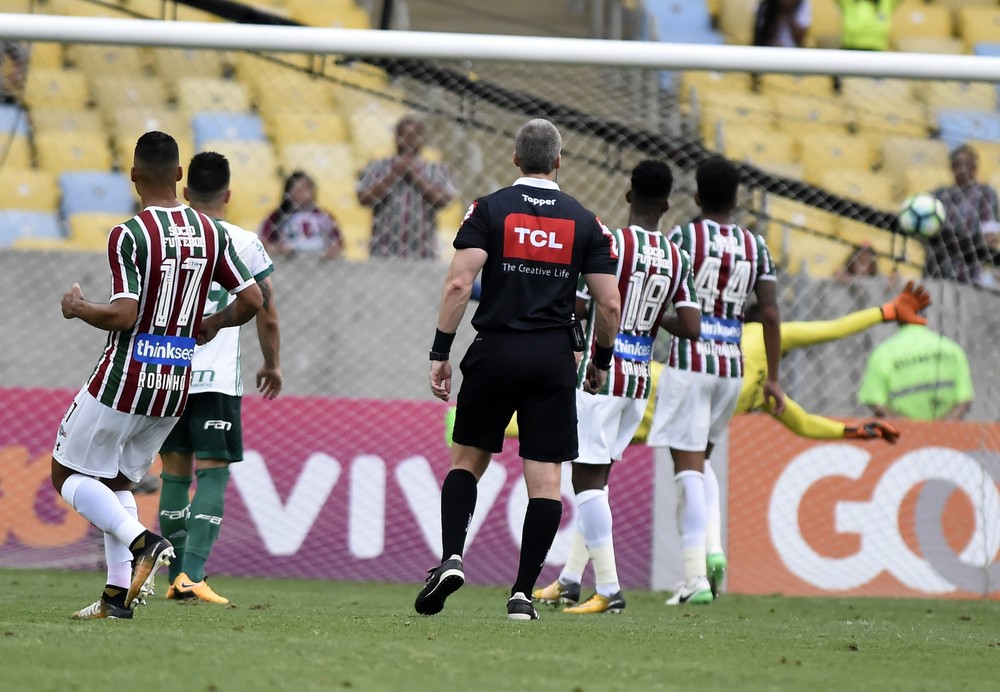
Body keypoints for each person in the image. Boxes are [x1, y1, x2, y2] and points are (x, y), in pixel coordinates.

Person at [414, 118, 621, 621]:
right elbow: (609, 302)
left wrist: (440, 352)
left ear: (515, 160)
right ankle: (523, 595)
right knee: (546, 482)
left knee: (467, 462)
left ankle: (452, 558)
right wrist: (599, 360)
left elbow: (459, 283)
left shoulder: (490, 209)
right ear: (557, 162)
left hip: (496, 350)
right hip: (552, 359)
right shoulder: (585, 221)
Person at [51, 131, 263, 620]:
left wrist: (78, 308)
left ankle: (143, 542)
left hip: (124, 376)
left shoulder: (129, 233)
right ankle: (115, 597)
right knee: (119, 484)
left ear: (133, 177)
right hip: (175, 383)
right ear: (179, 176)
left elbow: (125, 315)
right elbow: (253, 301)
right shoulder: (211, 232)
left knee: (67, 475)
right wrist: (211, 323)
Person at [533, 160, 702, 615]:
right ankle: (570, 581)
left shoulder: (611, 240)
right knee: (598, 480)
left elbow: (585, 303)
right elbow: (691, 325)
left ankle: (609, 589)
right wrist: (646, 317)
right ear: (668, 205)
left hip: (600, 370)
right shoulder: (677, 255)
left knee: (585, 479)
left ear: (629, 195)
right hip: (640, 375)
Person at [647, 155, 785, 606]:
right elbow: (768, 311)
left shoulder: (684, 236)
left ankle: (695, 576)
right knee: (701, 463)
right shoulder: (756, 246)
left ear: (697, 197)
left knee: (685, 467)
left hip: (690, 361)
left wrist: (657, 323)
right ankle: (713, 549)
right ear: (737, 198)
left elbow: (660, 292)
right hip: (732, 366)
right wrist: (775, 379)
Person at [158, 151, 282, 605]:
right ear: (228, 194)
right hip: (214, 379)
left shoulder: (170, 237)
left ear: (186, 193)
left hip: (166, 370)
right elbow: (266, 316)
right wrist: (271, 364)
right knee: (212, 473)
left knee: (173, 474)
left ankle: (174, 575)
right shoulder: (245, 243)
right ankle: (192, 575)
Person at [356, 115, 457, 259]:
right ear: (396, 138)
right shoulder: (378, 166)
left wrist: (416, 176)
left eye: (416, 135)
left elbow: (444, 201)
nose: (410, 140)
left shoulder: (435, 168)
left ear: (423, 139)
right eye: (405, 135)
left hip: (423, 254)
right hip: (383, 254)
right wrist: (393, 174)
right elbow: (363, 198)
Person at [858, 322, 973, 421]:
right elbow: (964, 401)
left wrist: (911, 430)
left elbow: (875, 402)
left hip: (903, 440)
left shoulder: (883, 353)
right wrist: (941, 429)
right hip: (947, 438)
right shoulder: (952, 349)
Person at [928, 144, 999, 286]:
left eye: (969, 165)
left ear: (975, 169)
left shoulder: (985, 194)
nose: (964, 169)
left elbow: (990, 236)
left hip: (970, 274)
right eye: (958, 165)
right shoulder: (938, 195)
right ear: (952, 168)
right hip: (938, 271)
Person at [259, 170, 344, 260]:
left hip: (319, 263)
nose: (304, 193)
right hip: (286, 264)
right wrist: (277, 249)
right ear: (289, 192)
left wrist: (330, 252)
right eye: (299, 189)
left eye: (307, 188)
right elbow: (263, 243)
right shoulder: (277, 216)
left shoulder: (324, 216)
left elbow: (339, 244)